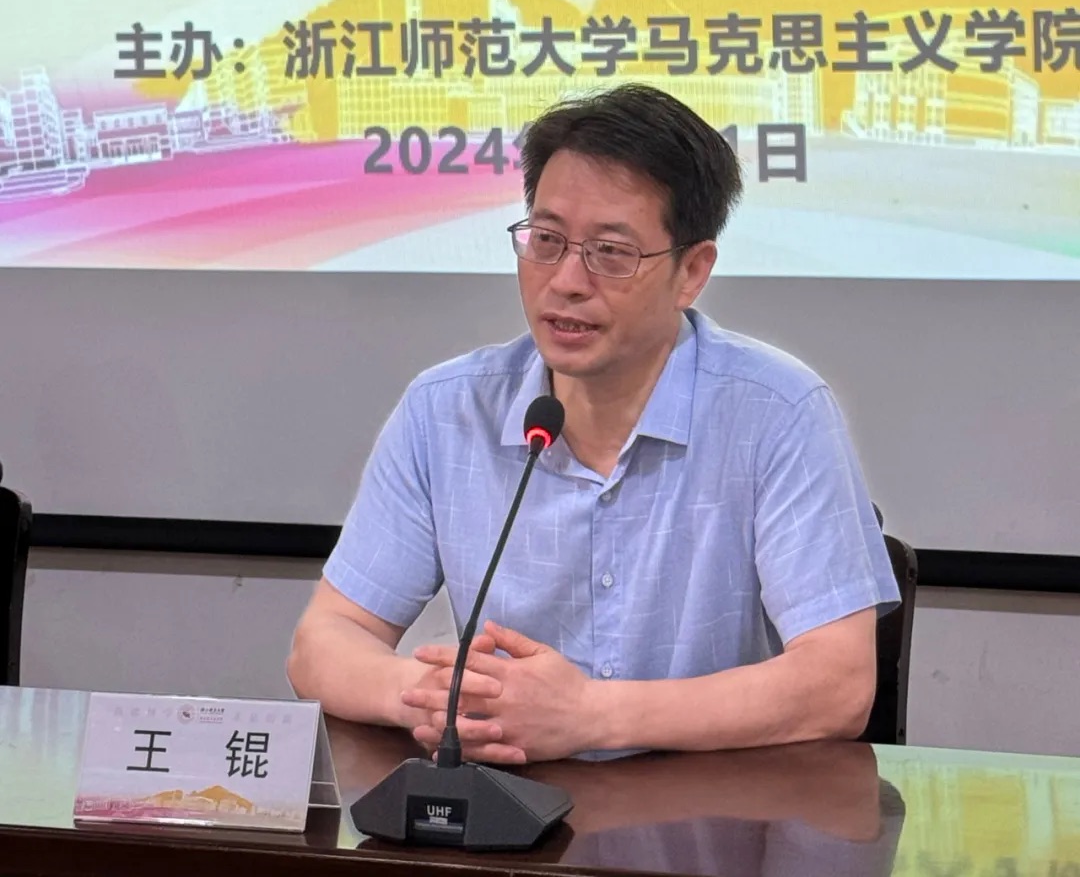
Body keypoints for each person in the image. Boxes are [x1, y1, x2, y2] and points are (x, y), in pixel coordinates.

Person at [288, 83, 899, 763]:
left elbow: (838, 684)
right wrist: (429, 695)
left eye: (610, 251)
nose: (566, 281)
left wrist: (589, 716)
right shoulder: (446, 411)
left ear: (692, 271)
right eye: (547, 240)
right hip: (507, 808)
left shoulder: (777, 412)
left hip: (710, 811)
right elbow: (324, 642)